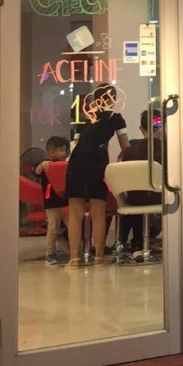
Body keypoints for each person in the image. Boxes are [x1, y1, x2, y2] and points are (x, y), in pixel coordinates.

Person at [65, 85, 128, 268]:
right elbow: (125, 147)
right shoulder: (115, 117)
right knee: (98, 212)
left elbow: (74, 146)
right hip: (97, 162)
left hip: (76, 163)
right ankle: (99, 257)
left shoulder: (86, 118)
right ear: (113, 99)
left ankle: (74, 259)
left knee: (75, 212)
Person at [116, 108, 166, 257]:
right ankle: (143, 240)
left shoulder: (129, 152)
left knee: (135, 196)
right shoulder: (169, 151)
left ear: (141, 129)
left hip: (135, 199)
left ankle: (133, 242)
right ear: (162, 127)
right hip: (160, 198)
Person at [34, 136, 70, 266]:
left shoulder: (66, 165)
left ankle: (76, 251)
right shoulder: (47, 165)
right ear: (52, 152)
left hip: (66, 202)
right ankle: (50, 253)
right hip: (52, 204)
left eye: (65, 150)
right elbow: (36, 171)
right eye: (61, 150)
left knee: (73, 226)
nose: (64, 153)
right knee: (53, 228)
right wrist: (42, 165)